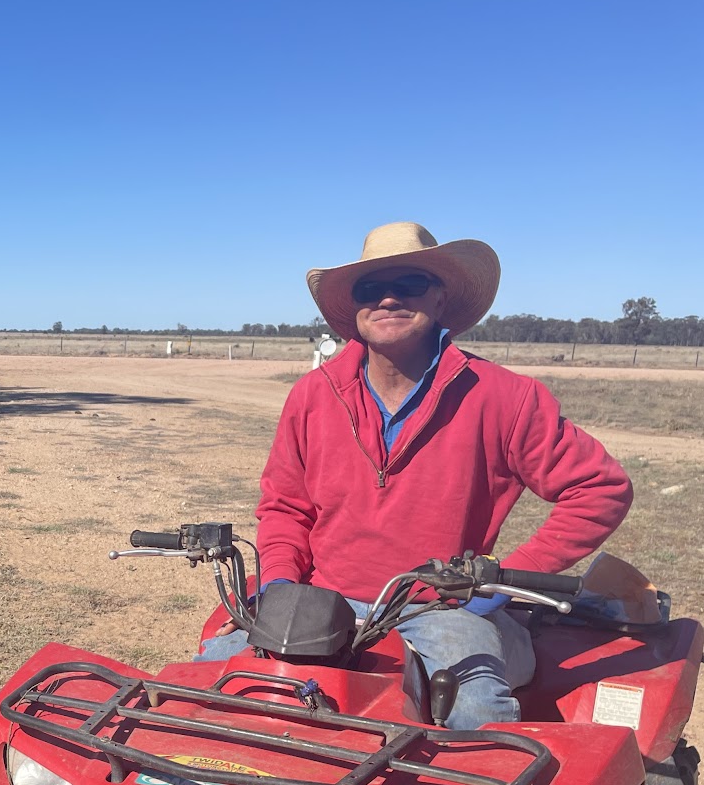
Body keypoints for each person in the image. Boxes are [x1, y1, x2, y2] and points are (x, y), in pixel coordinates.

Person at [198, 222, 632, 730]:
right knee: (206, 681)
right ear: (353, 307)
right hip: (321, 598)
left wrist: (495, 585)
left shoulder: (504, 398)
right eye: (370, 288)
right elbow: (286, 507)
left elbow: (599, 489)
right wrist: (277, 587)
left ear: (441, 299)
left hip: (439, 608)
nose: (388, 299)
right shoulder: (314, 395)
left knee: (473, 714)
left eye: (409, 283)